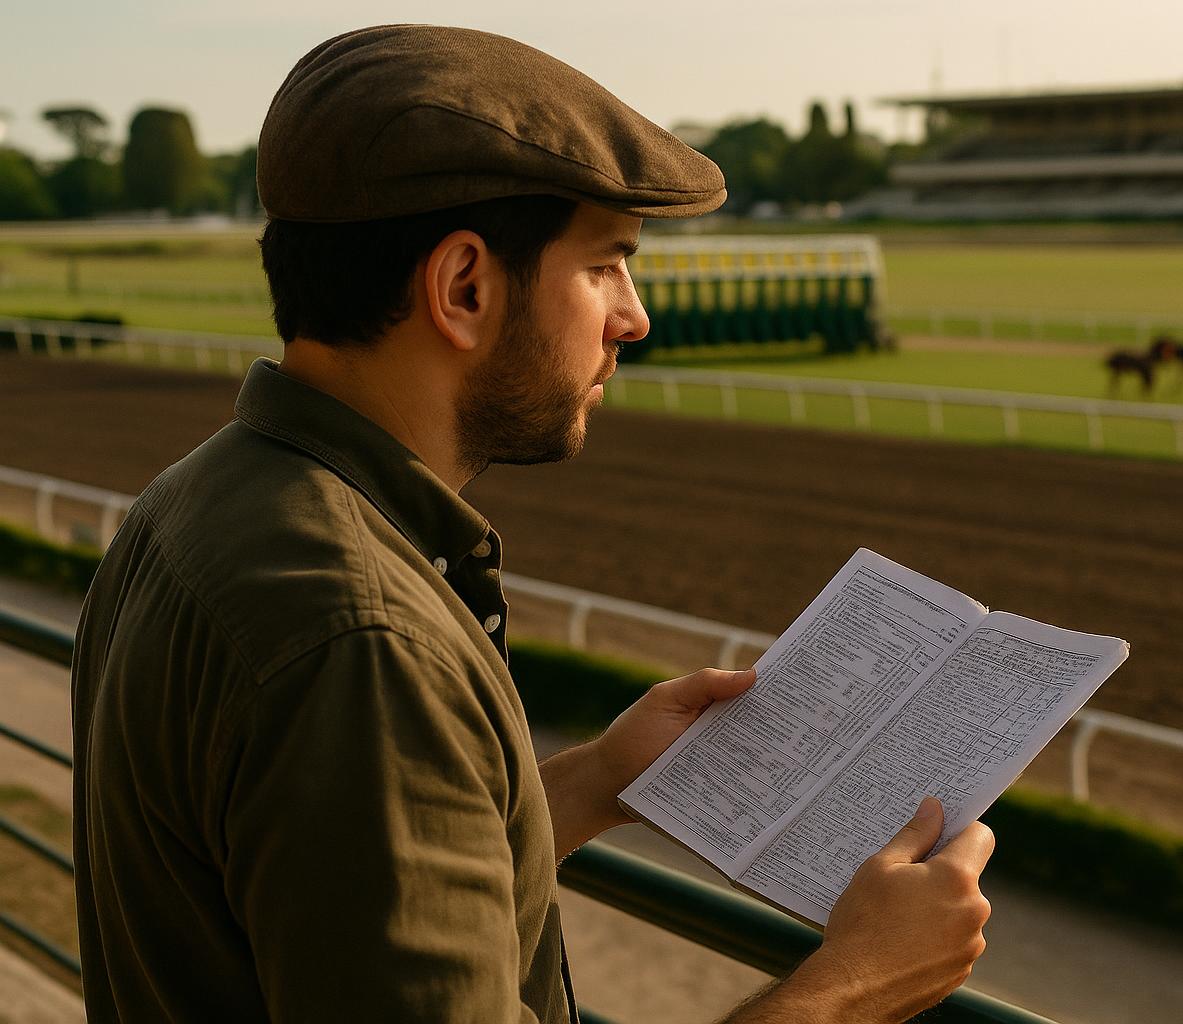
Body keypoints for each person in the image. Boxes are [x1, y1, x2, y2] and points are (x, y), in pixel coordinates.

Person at [70, 24, 993, 1024]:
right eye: (605, 266)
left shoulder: (200, 496)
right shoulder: (364, 641)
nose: (632, 317)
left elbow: (334, 881)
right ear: (465, 286)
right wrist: (855, 984)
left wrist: (601, 778)